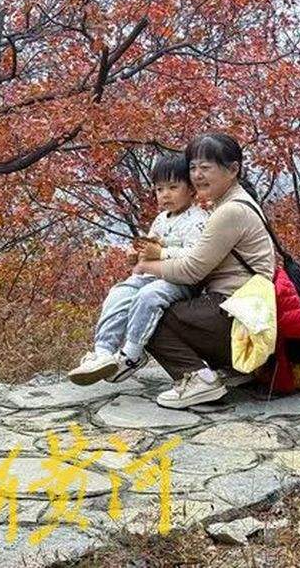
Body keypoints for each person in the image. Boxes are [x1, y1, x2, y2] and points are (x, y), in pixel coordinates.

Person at [133, 133, 276, 409]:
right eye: (193, 168)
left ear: (233, 169)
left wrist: (147, 265)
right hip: (248, 311)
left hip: (236, 312)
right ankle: (234, 369)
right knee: (166, 302)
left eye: (206, 168)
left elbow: (191, 270)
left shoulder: (230, 211)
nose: (197, 176)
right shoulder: (232, 203)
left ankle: (199, 380)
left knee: (150, 311)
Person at [68, 154, 207, 385]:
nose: (165, 194)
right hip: (150, 275)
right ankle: (103, 351)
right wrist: (138, 254)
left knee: (147, 297)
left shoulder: (198, 220)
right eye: (159, 189)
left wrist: (160, 254)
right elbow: (152, 244)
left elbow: (196, 256)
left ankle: (132, 353)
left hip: (180, 281)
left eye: (173, 187)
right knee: (119, 292)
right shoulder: (162, 219)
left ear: (192, 189)